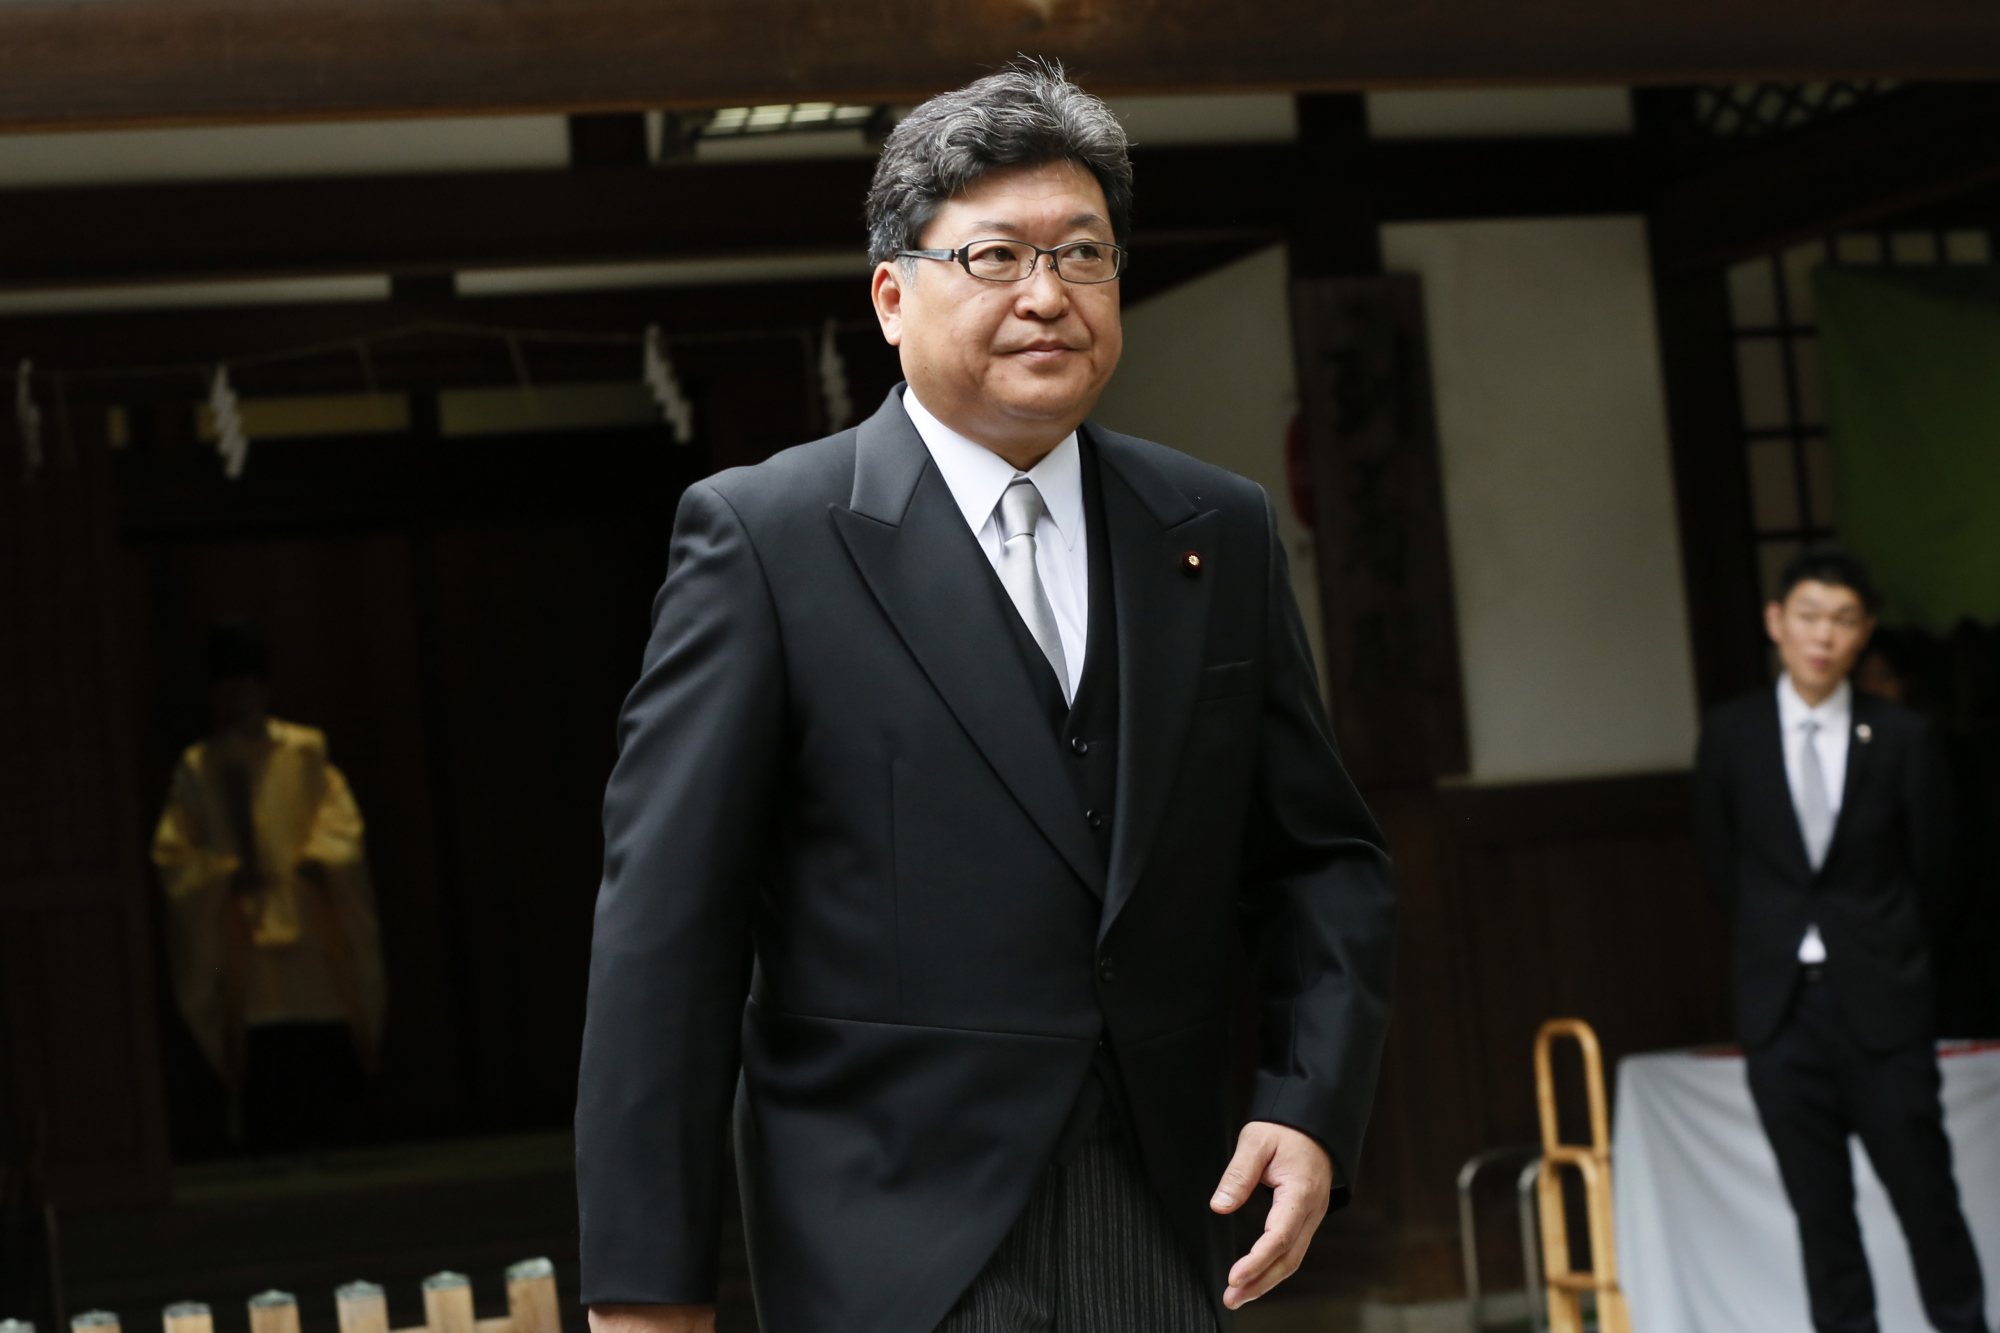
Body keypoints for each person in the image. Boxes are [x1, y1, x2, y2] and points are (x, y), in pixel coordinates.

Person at [575, 61, 1396, 1333]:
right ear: (892, 296)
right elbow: (664, 937)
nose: (1046, 295)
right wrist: (646, 1289)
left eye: (1083, 255)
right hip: (890, 1242)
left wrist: (1307, 1102)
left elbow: (1322, 860)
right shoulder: (765, 539)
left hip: (1170, 1223)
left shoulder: (1210, 531)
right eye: (996, 257)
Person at [1694, 547, 1987, 1333]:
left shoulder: (1903, 737)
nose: (1823, 635)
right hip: (1782, 1011)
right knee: (1821, 1216)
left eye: (1844, 619)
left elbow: (1941, 875)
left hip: (1884, 1007)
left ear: (1865, 634)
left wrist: (1888, 955)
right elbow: (1725, 864)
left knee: (1927, 1198)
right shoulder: (1732, 733)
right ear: (1775, 622)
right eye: (1809, 615)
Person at [151, 620, 387, 1152]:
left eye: (245, 687)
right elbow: (174, 854)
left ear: (264, 688)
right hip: (242, 931)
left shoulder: (304, 750)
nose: (237, 699)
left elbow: (341, 824)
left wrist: (322, 859)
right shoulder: (197, 767)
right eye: (226, 689)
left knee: (320, 1049)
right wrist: (221, 875)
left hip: (309, 923)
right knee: (265, 1061)